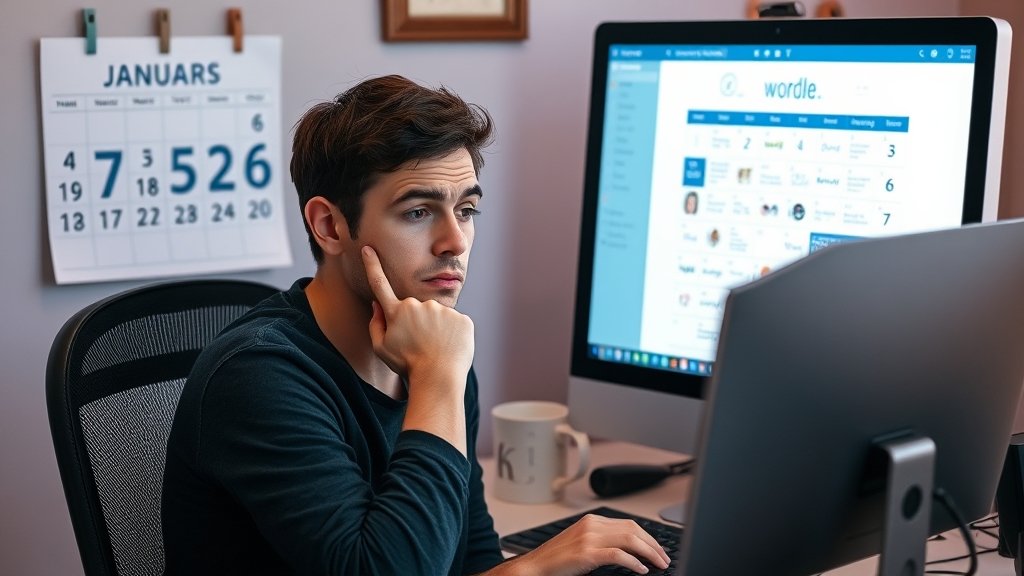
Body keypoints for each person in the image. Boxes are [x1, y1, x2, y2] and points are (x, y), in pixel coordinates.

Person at [161, 75, 670, 576]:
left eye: (466, 209)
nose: (455, 241)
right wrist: (532, 569)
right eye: (419, 211)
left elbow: (468, 560)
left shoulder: (435, 352)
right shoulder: (258, 375)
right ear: (330, 226)